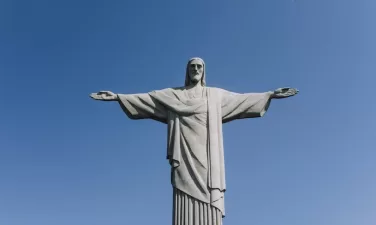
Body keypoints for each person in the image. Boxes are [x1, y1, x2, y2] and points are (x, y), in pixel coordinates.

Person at [90, 57, 298, 225]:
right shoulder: (173, 96)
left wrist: (269, 94)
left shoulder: (215, 96)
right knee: (183, 195)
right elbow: (148, 99)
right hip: (184, 154)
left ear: (204, 71)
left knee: (209, 197)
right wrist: (118, 97)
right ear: (187, 71)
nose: (196, 69)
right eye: (192, 67)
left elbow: (241, 99)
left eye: (199, 66)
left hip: (208, 157)